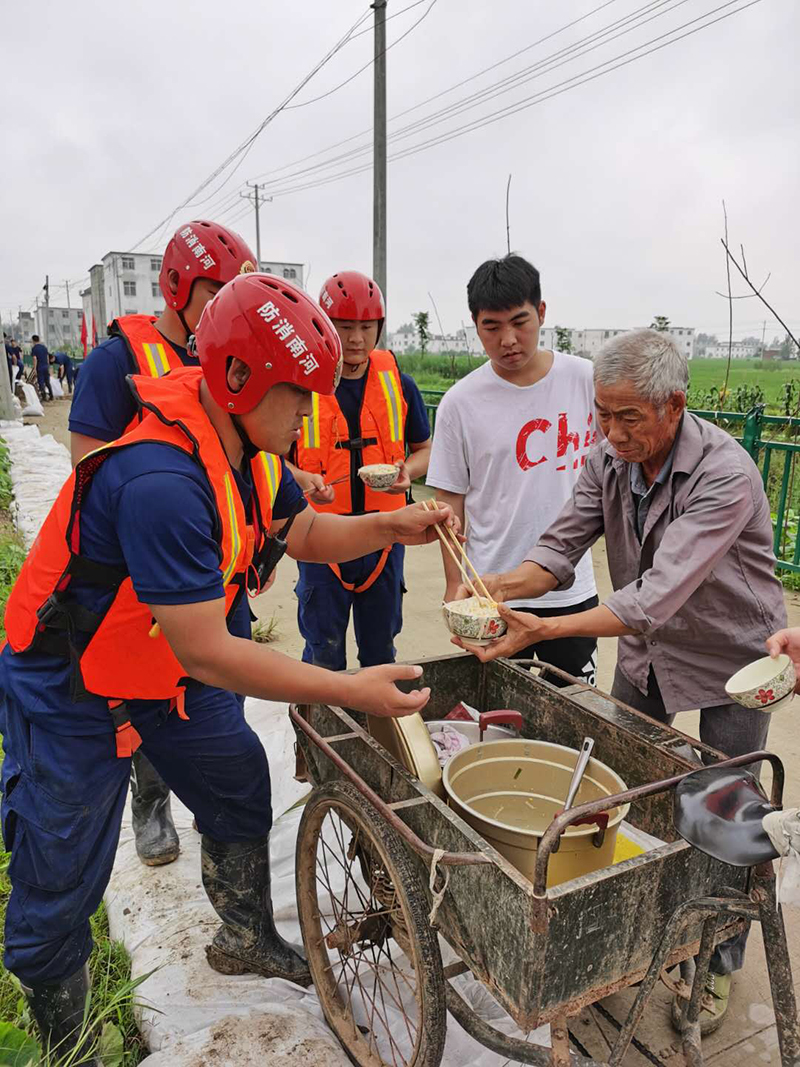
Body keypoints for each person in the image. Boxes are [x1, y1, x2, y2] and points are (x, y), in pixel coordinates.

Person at [0, 273, 455, 1063]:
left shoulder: (243, 443)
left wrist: (394, 523)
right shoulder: (162, 481)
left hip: (156, 660)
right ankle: (59, 1028)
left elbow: (304, 531)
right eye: (297, 396)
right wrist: (349, 685)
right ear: (237, 377)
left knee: (239, 774)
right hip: (71, 681)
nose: (310, 416)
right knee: (64, 851)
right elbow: (208, 649)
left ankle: (243, 931)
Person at [455, 328, 786, 1036]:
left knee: (723, 808)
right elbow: (559, 546)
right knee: (626, 784)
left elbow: (656, 593)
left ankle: (717, 960)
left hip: (730, 650)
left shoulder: (724, 473)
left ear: (675, 404)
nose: (610, 431)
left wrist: (542, 628)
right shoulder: (608, 458)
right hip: (646, 647)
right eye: (602, 414)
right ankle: (639, 929)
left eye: (628, 415)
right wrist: (491, 587)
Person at [69, 220, 259, 868]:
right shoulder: (117, 362)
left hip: (222, 572)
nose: (229, 302)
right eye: (217, 290)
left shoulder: (235, 363)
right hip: (148, 580)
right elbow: (89, 474)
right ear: (178, 287)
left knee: (221, 701)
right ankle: (150, 801)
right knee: (155, 700)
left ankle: (219, 816)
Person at [426, 254, 598, 686]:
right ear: (475, 324)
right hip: (491, 595)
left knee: (577, 713)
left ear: (541, 312)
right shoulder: (460, 403)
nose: (508, 339)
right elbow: (450, 502)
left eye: (520, 322)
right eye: (492, 327)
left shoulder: (586, 381)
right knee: (501, 719)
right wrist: (454, 586)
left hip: (570, 590)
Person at [288, 270, 432, 670]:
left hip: (385, 539)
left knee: (381, 655)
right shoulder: (299, 384)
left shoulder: (399, 385)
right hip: (321, 538)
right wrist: (302, 479)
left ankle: (381, 733)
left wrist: (409, 470)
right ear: (324, 325)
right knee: (322, 655)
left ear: (379, 328)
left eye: (366, 328)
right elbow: (271, 458)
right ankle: (315, 732)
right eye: (344, 326)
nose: (355, 339)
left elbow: (424, 449)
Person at [30, 335, 53, 401]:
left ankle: (44, 397)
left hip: (40, 367)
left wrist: (34, 368)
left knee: (41, 382)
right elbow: (47, 357)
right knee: (47, 382)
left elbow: (35, 358)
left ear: (33, 340)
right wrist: (48, 365)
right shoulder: (44, 347)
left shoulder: (34, 348)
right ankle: (51, 395)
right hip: (45, 366)